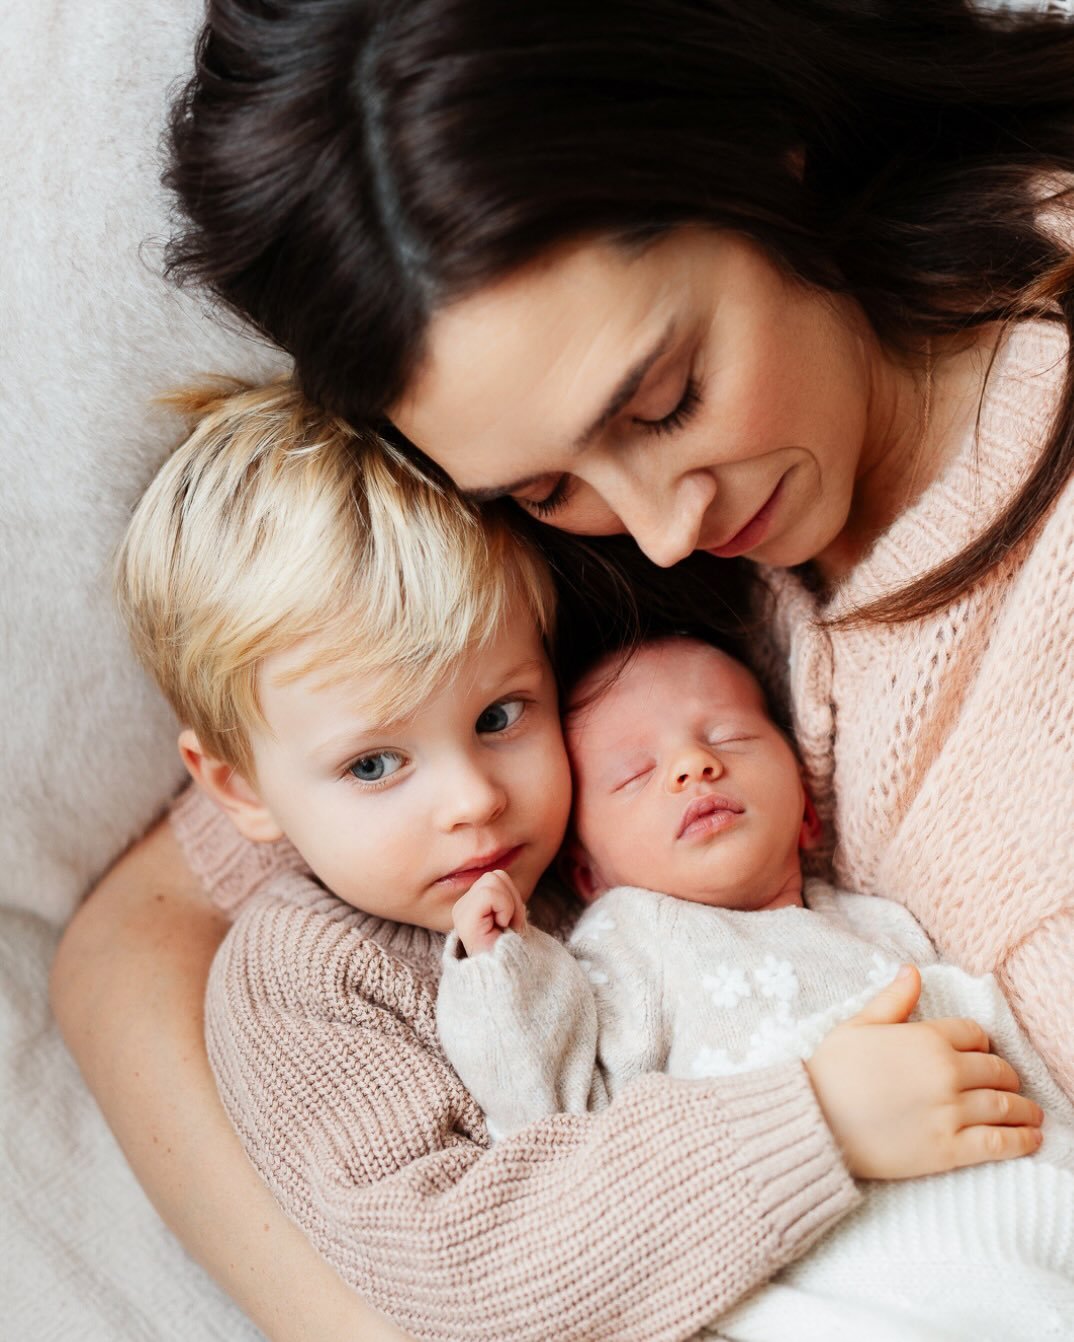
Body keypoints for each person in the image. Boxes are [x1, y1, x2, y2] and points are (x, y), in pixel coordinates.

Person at [52, 2, 1074, 1338]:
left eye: (662, 403)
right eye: (542, 481)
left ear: (760, 149)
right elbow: (141, 943)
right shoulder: (543, 575)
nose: (654, 524)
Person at [116, 381, 1043, 1341]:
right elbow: (459, 1262)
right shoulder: (300, 981)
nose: (474, 799)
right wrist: (814, 1124)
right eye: (374, 765)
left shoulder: (589, 830)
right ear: (239, 790)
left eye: (498, 716)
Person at [440, 633, 1073, 1339]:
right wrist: (497, 967)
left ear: (806, 810)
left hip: (1015, 1216)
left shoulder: (882, 924)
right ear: (589, 876)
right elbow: (544, 1116)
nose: (692, 765)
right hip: (824, 1278)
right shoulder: (622, 946)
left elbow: (998, 1047)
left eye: (729, 736)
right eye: (634, 773)